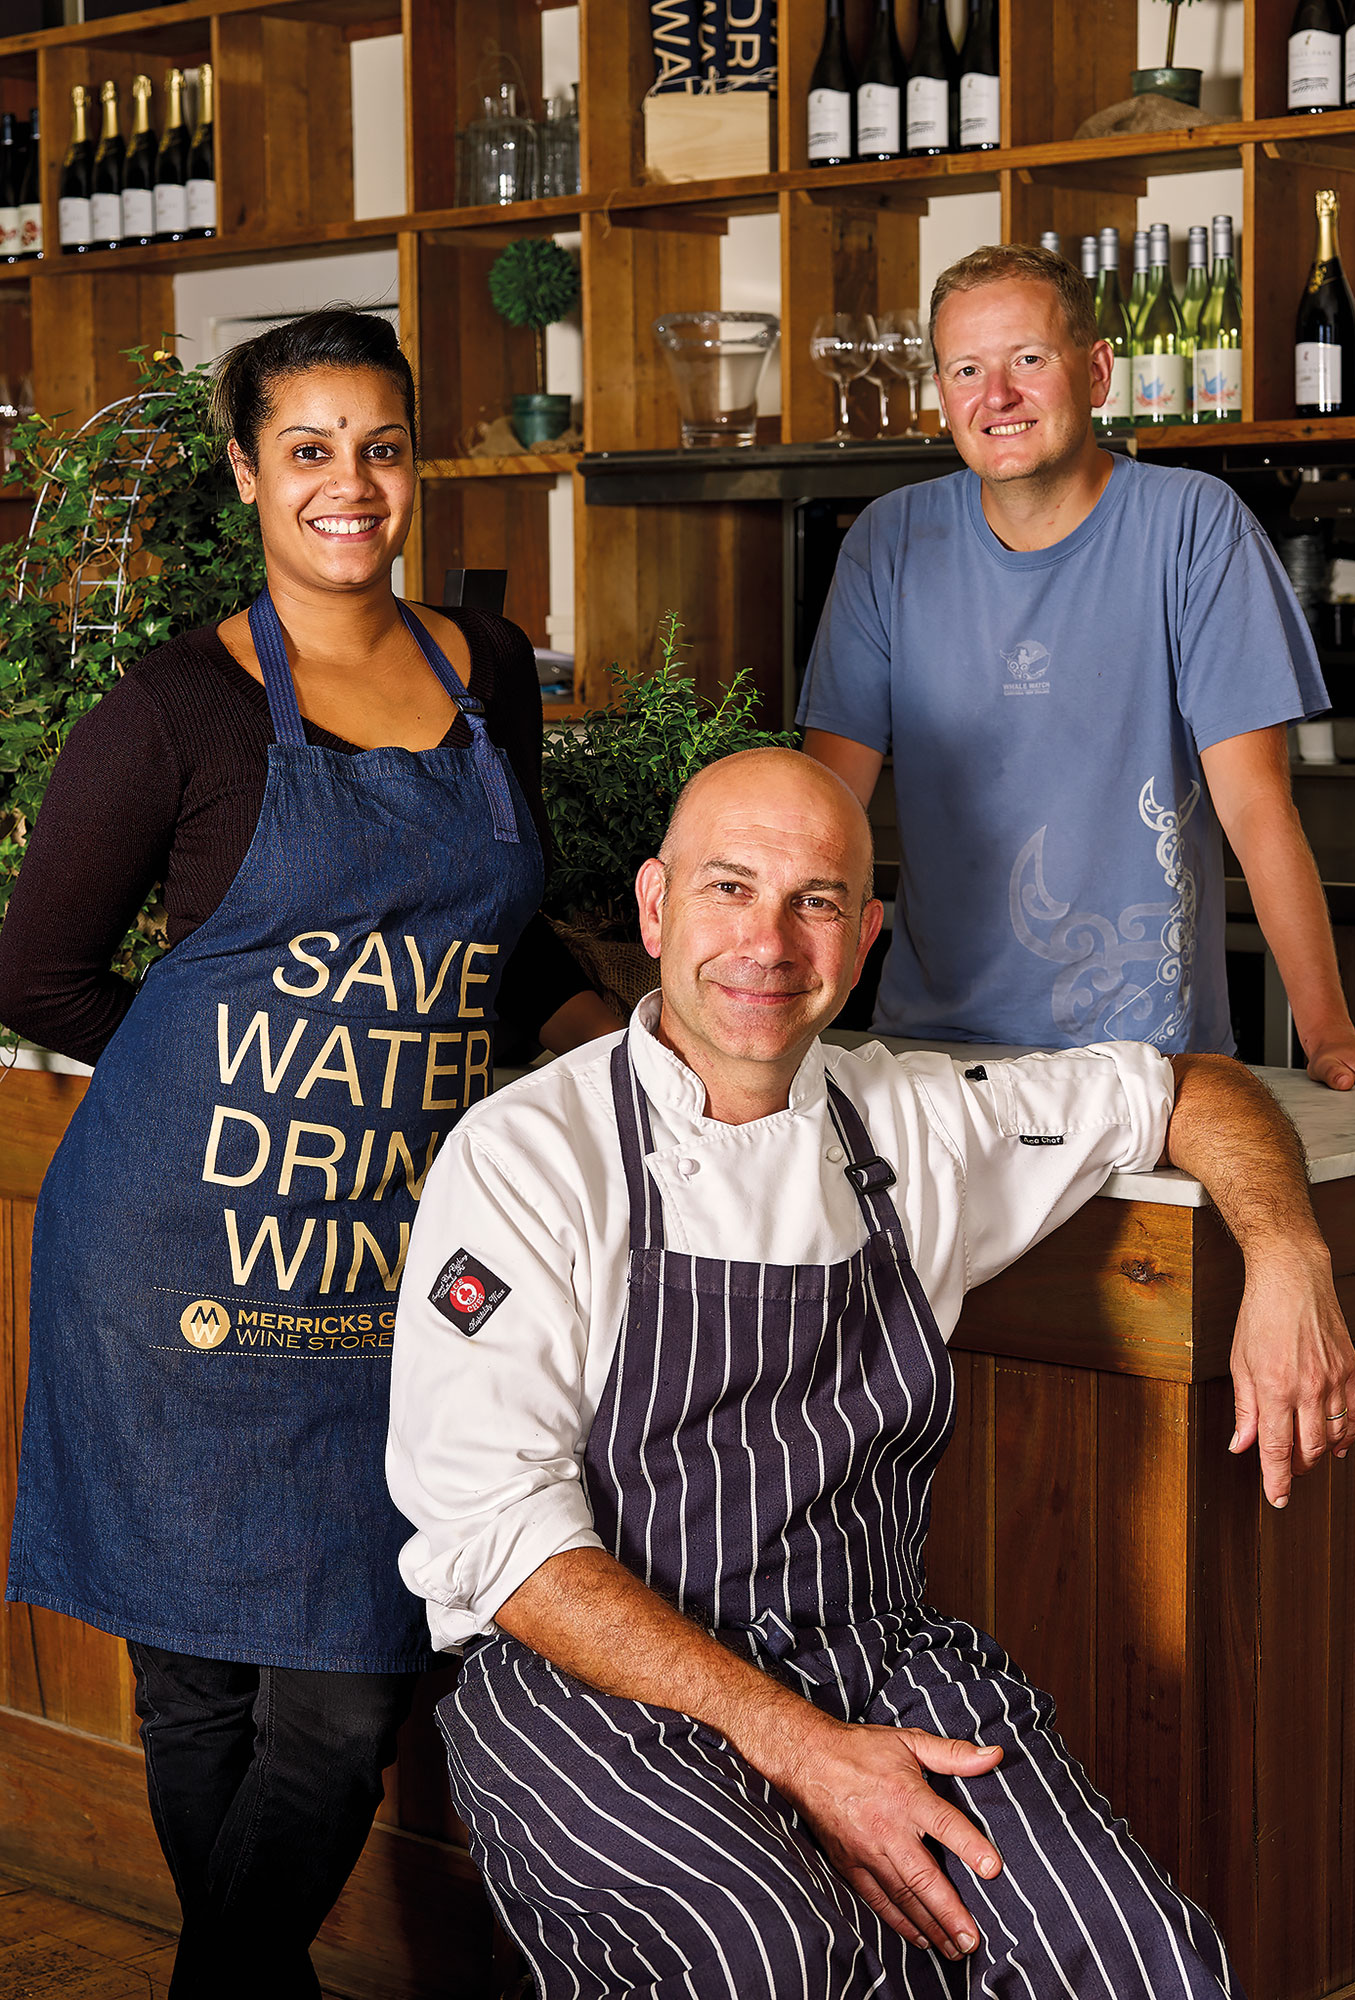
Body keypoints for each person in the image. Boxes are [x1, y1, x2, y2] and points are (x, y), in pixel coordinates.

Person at [387, 746, 1355, 1999]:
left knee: (1148, 1964)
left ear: (866, 936)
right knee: (775, 1954)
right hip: (594, 1688)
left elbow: (1189, 1087)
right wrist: (803, 1749)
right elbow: (499, 1543)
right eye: (729, 888)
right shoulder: (528, 1156)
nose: (770, 942)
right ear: (652, 906)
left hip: (874, 1655)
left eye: (817, 901)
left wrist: (1288, 1251)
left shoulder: (914, 1118)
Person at [0, 308, 616, 1999]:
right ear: (247, 475)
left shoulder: (478, 669)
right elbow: (35, 968)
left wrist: (619, 1055)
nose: (354, 484)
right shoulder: (178, 704)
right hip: (173, 1269)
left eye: (384, 444)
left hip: (396, 1273)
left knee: (346, 1696)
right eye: (310, 449)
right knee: (196, 1693)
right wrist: (236, 1097)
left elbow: (506, 943)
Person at [799, 243, 1355, 1097]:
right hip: (930, 1060)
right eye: (966, 368)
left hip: (1150, 1066)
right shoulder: (888, 543)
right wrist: (783, 1024)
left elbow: (1255, 802)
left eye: (1029, 360)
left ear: (1095, 374)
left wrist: (1329, 1030)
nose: (997, 396)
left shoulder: (1195, 526)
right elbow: (821, 818)